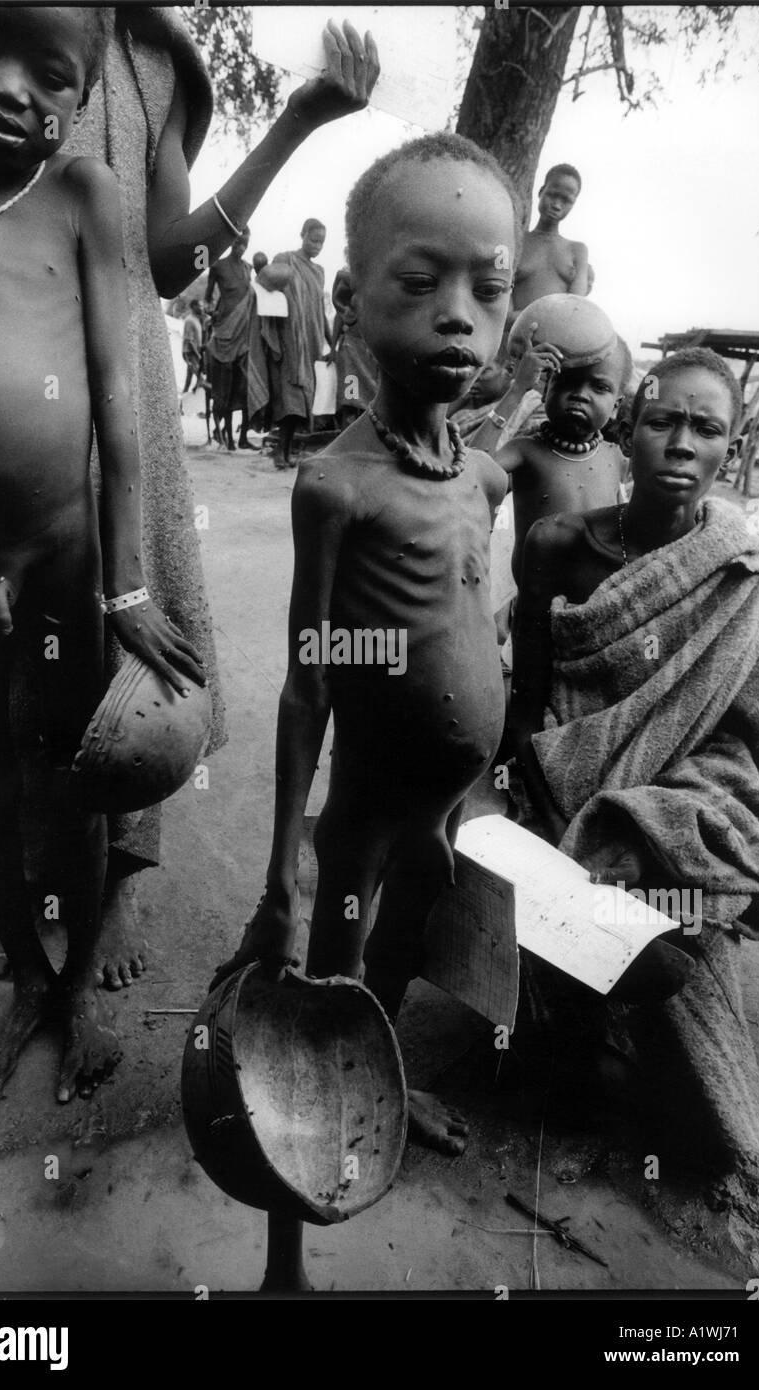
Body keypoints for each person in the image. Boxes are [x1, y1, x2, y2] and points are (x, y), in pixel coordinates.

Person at [0, 6, 380, 989]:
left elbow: (167, 258)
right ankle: (36, 906)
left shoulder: (152, 64)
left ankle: (114, 891)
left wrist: (294, 122)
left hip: (114, 355)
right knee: (1, 703)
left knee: (119, 669)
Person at [0, 4, 209, 1107]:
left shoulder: (81, 196)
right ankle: (30, 992)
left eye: (53, 76)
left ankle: (79, 983)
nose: (14, 88)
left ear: (82, 100)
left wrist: (126, 579)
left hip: (57, 554)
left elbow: (116, 404)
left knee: (70, 781)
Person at [215, 129, 521, 1148]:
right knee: (333, 960)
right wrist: (275, 878)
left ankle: (375, 1077)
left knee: (405, 935)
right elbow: (308, 687)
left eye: (489, 289)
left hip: (448, 804)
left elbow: (467, 604)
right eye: (422, 280)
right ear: (349, 298)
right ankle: (301, 1184)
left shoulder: (478, 477)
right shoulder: (337, 485)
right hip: (366, 807)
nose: (457, 315)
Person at [507, 347, 759, 1174]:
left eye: (706, 429)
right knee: (553, 1069)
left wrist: (657, 809)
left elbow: (753, 737)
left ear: (731, 452)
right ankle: (569, 1007)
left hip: (675, 798)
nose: (682, 443)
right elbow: (529, 704)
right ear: (629, 435)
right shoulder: (560, 545)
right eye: (663, 421)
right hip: (562, 775)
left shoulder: (751, 572)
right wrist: (543, 793)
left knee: (699, 1132)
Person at [493, 332, 632, 582]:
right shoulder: (524, 452)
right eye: (567, 381)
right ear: (546, 390)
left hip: (597, 604)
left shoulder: (617, 458)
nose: (580, 394)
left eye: (599, 387)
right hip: (535, 607)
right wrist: (516, 390)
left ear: (615, 406)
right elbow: (470, 472)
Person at [258, 218, 333, 467]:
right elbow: (264, 281)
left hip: (310, 344)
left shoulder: (320, 272)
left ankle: (287, 451)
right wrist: (278, 272)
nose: (317, 246)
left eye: (321, 242)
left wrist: (331, 343)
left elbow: (320, 311)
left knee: (303, 401)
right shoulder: (286, 260)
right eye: (313, 239)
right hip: (289, 341)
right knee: (290, 400)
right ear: (302, 235)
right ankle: (281, 452)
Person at [510, 163, 589, 323]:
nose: (557, 205)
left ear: (573, 204)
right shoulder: (514, 242)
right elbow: (500, 300)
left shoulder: (578, 251)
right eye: (553, 195)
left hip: (556, 343)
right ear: (541, 192)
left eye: (566, 200)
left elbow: (575, 307)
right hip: (512, 340)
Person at [206, 227, 255, 450]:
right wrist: (212, 314)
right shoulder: (218, 266)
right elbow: (208, 300)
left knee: (243, 386)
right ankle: (226, 436)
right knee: (223, 388)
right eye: (237, 243)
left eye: (245, 244)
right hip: (224, 334)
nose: (241, 248)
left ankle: (241, 437)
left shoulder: (248, 268)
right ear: (231, 242)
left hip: (244, 335)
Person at [329, 266, 378, 429]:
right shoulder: (347, 276)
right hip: (351, 349)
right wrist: (332, 348)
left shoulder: (381, 273)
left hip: (373, 351)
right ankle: (348, 441)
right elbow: (339, 316)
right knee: (351, 398)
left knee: (373, 401)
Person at [181, 298, 203, 394]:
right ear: (194, 307)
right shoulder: (190, 320)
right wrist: (197, 354)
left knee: (190, 374)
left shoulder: (196, 319)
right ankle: (195, 394)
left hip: (194, 351)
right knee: (199, 376)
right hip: (190, 352)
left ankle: (185, 392)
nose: (202, 308)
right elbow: (189, 340)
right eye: (200, 306)